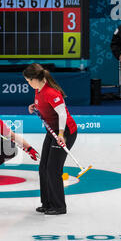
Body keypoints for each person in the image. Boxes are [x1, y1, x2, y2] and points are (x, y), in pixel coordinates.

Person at [23, 63, 77, 215]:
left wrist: (61, 134)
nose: (28, 83)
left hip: (64, 131)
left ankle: (59, 206)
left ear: (35, 79)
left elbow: (63, 115)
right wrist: (35, 106)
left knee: (53, 169)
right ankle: (47, 203)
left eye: (28, 80)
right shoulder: (38, 90)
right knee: (43, 168)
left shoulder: (52, 93)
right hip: (52, 130)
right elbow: (45, 105)